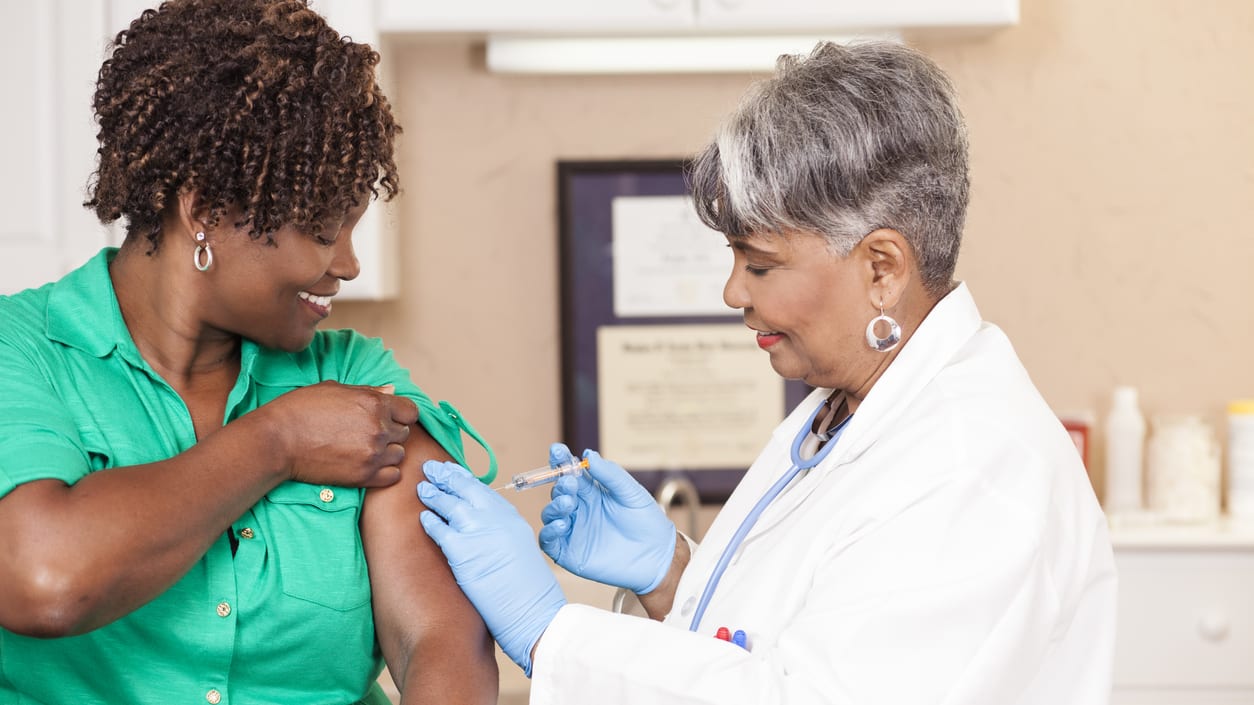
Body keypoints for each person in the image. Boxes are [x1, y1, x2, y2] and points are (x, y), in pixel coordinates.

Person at [417, 40, 1117, 704]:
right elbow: (785, 640)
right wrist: (674, 576)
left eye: (760, 263)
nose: (733, 293)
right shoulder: (843, 409)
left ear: (882, 268)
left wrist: (550, 633)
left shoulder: (974, 471)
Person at [0, 2, 499, 703]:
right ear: (203, 210)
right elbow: (44, 578)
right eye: (324, 230)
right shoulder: (20, 351)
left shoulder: (352, 376)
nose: (349, 263)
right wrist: (278, 441)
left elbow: (440, 639)